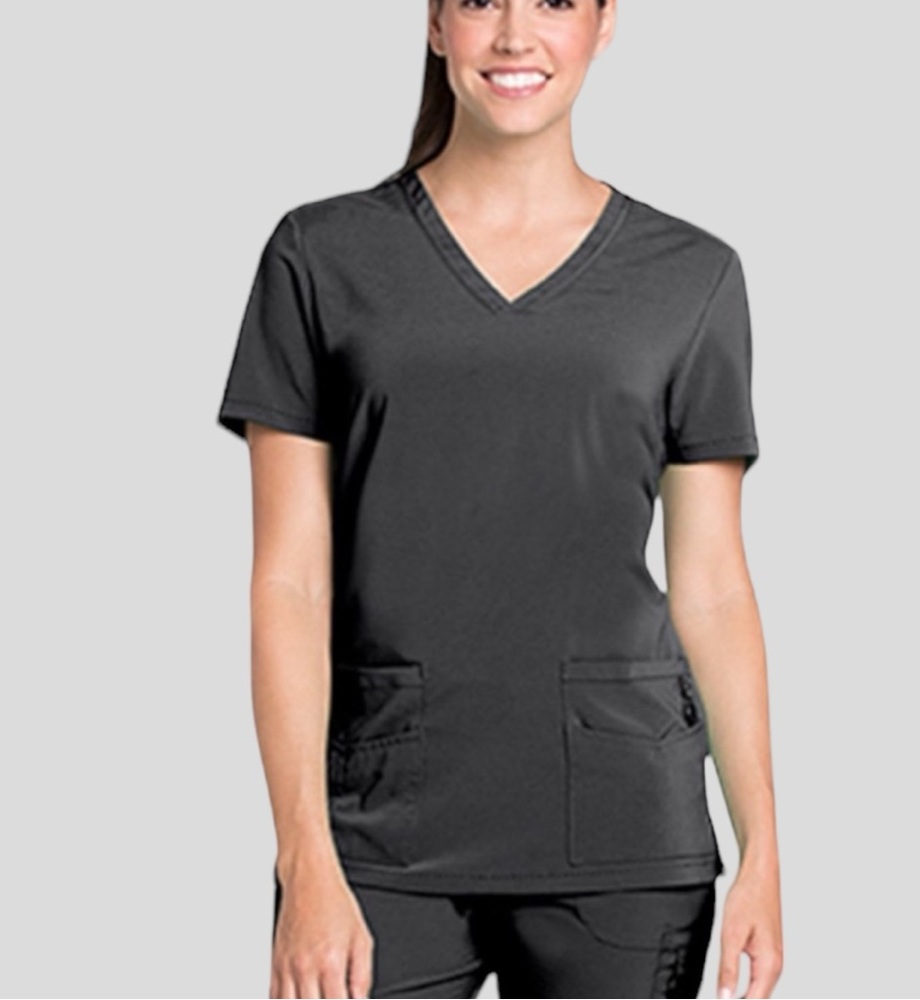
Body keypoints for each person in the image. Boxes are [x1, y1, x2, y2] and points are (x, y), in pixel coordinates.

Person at [216, 0, 782, 996]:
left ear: (605, 22)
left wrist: (763, 849)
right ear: (436, 24)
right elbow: (289, 583)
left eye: (556, 1)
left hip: (623, 837)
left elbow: (713, 588)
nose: (516, 34)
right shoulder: (321, 257)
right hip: (376, 831)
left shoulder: (689, 278)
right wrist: (303, 858)